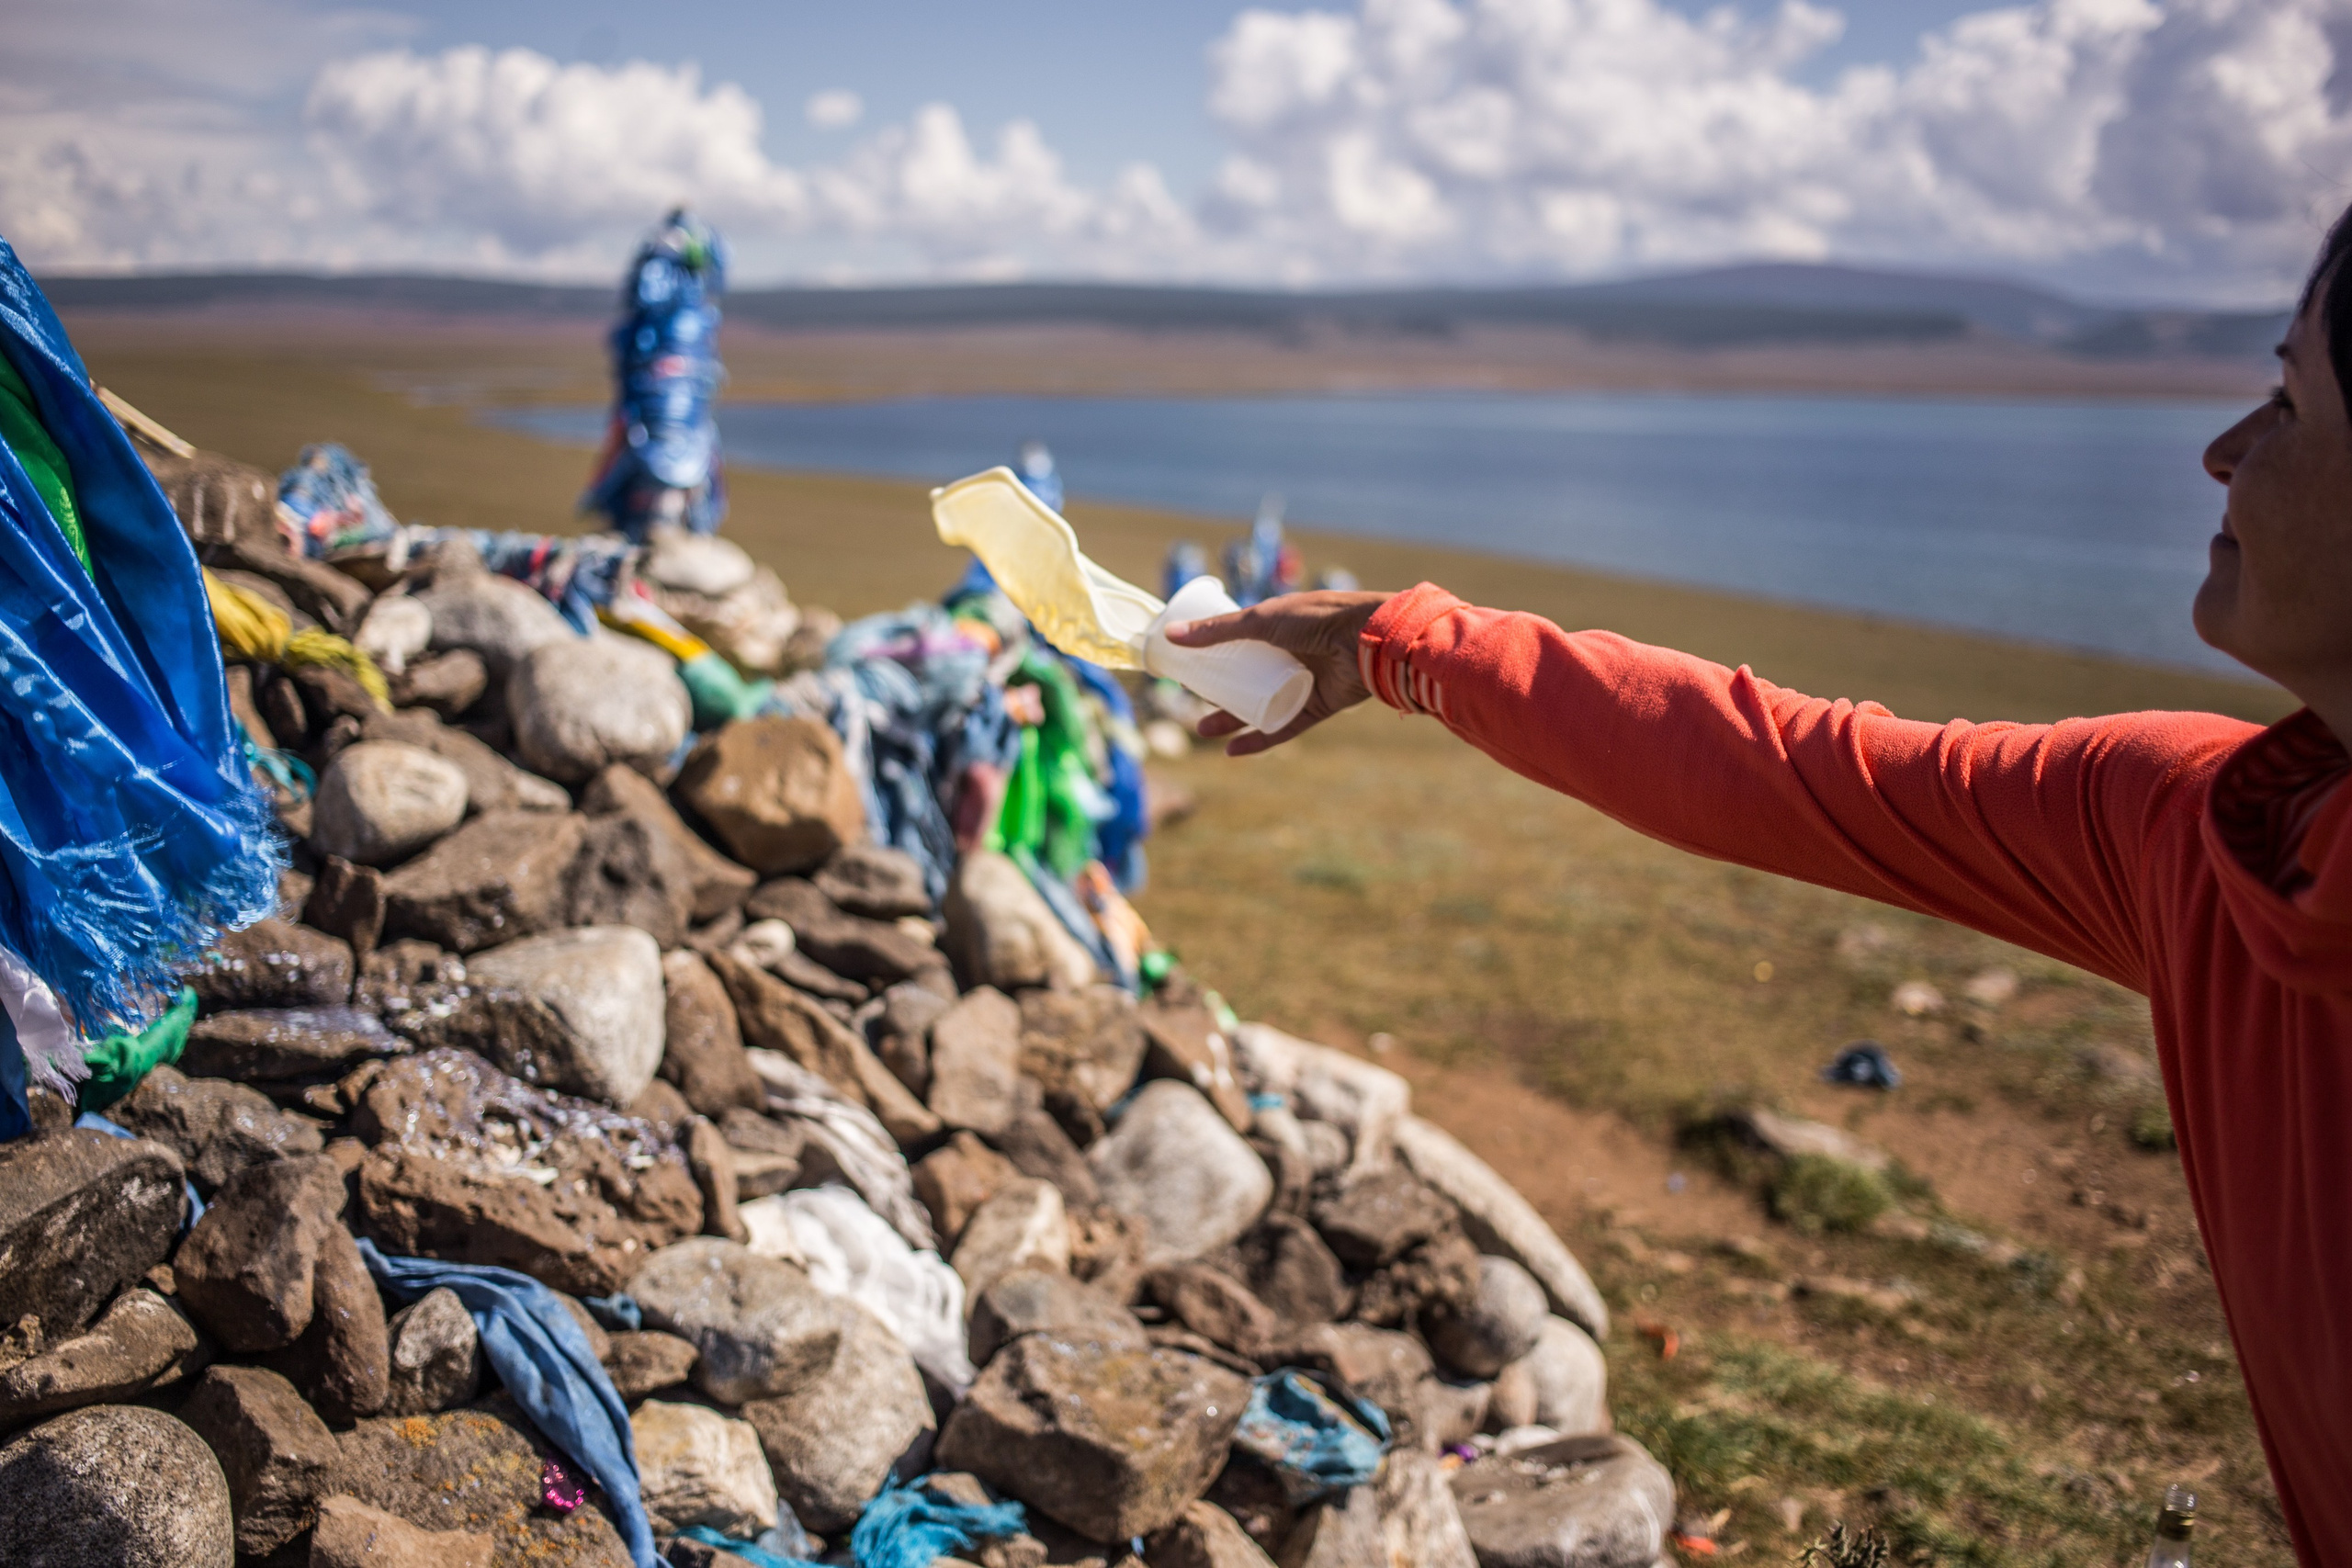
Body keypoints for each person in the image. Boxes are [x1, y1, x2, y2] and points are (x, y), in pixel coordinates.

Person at [1164, 210, 2352, 1562]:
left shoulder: (2210, 839)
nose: (2224, 449)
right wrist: (1399, 645)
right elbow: (1783, 768)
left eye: (2291, 403)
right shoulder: (2209, 833)